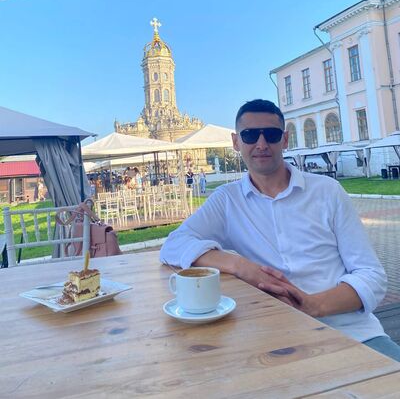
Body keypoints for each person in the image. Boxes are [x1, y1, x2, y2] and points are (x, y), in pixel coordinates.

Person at [160, 99, 400, 362]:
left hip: (354, 332)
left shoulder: (327, 191)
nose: (261, 144)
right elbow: (174, 244)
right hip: (274, 338)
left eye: (271, 135)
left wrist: (313, 305)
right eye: (250, 135)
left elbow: (372, 275)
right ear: (236, 142)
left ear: (285, 140)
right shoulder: (227, 200)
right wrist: (241, 266)